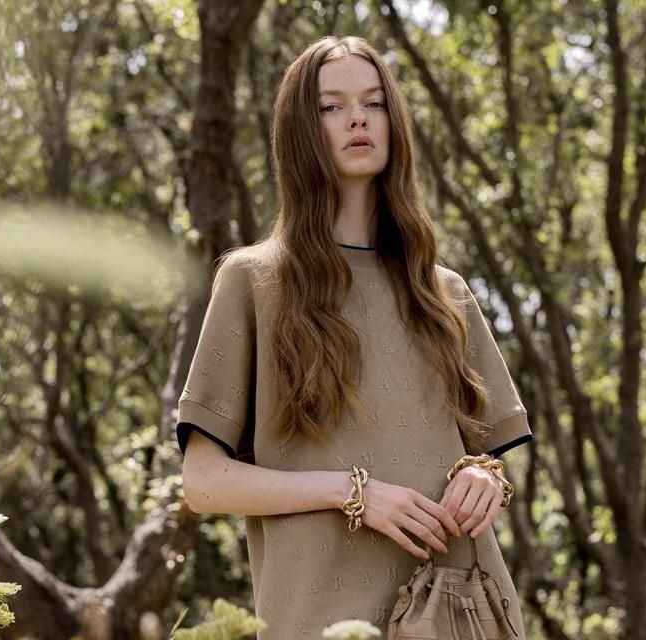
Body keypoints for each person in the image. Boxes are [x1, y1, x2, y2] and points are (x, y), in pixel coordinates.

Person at [176, 35, 532, 639]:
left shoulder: (443, 291)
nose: (358, 117)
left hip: (455, 612)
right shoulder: (254, 280)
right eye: (331, 106)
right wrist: (355, 493)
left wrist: (485, 479)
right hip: (315, 617)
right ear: (300, 130)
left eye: (374, 102)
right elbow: (204, 483)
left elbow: (487, 458)